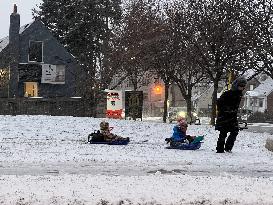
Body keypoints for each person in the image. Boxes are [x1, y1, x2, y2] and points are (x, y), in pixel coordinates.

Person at [215, 76, 247, 153]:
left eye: (243, 86)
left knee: (235, 131)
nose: (241, 88)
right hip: (224, 116)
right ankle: (220, 149)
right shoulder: (228, 93)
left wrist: (234, 111)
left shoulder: (239, 94)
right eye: (240, 86)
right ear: (236, 85)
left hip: (232, 116)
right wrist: (226, 110)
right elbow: (219, 103)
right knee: (223, 132)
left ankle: (228, 148)